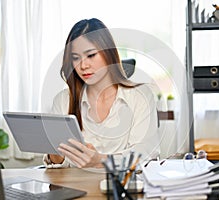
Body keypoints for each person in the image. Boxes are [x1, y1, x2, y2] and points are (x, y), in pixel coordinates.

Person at [43, 18, 160, 168]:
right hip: (76, 187)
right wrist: (56, 156)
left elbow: (144, 154)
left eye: (91, 55)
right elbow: (59, 163)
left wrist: (100, 160)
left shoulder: (140, 96)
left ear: (108, 53)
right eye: (75, 58)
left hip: (121, 187)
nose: (83, 65)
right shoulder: (63, 100)